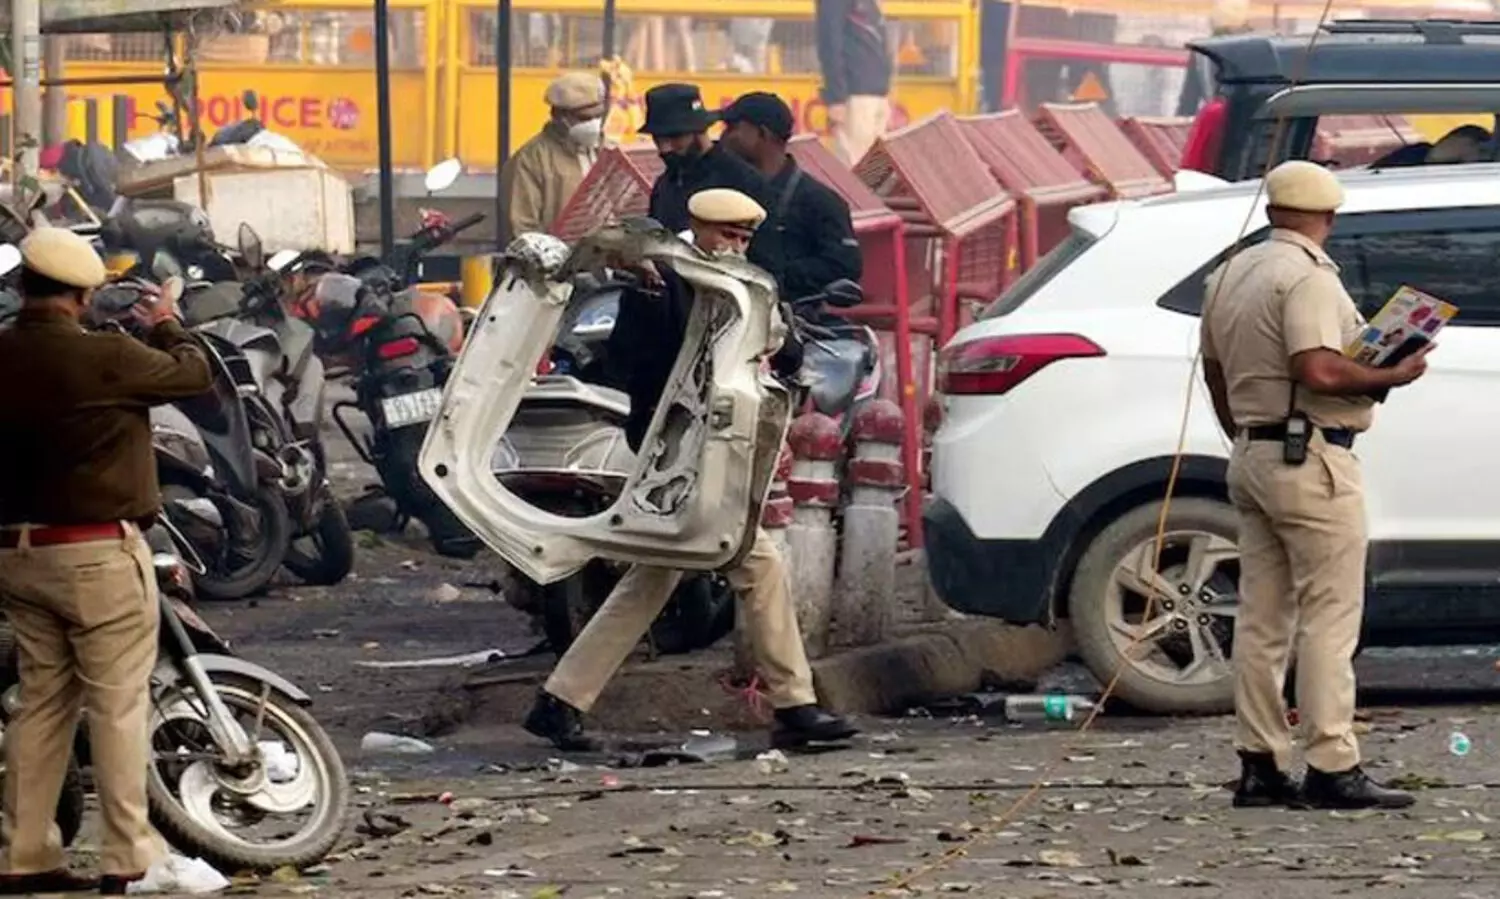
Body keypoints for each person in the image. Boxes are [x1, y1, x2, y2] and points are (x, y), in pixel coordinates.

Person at [523, 188, 857, 752]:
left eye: (745, 239)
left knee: (657, 575)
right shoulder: (660, 280)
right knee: (755, 563)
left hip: (714, 449)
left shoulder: (742, 282)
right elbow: (631, 360)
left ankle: (559, 702)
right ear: (697, 228)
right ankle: (795, 705)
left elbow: (785, 350)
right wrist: (654, 298)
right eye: (728, 236)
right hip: (673, 454)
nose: (736, 246)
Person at [1200, 161, 1431, 811]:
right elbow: (1319, 368)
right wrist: (1392, 375)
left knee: (1262, 619)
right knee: (1330, 619)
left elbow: (1217, 376)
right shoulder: (1306, 276)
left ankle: (1261, 762)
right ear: (1328, 217)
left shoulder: (1229, 274)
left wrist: (1250, 433)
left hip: (1253, 453)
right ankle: (1333, 762)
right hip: (1312, 458)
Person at [0, 228, 213, 893]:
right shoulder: (105, 354)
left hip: (18, 555)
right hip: (96, 555)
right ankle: (129, 856)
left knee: (40, 706)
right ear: (84, 295)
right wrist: (168, 321)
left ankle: (23, 854)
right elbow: (195, 374)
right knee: (118, 706)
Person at [720, 91, 863, 303]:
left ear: (762, 134)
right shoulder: (723, 190)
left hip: (796, 317)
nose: (724, 137)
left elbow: (844, 265)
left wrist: (777, 275)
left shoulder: (819, 201)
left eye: (732, 128)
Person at [639, 83, 769, 236]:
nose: (664, 148)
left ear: (699, 132)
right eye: (658, 139)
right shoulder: (665, 184)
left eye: (675, 137)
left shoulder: (743, 181)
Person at [498, 71, 609, 244]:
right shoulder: (531, 160)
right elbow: (522, 229)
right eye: (584, 118)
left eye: (599, 116)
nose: (594, 124)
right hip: (559, 265)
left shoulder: (607, 150)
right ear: (559, 116)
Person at [815, 0, 893, 165]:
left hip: (876, 93)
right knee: (855, 169)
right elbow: (829, 44)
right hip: (855, 95)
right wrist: (836, 97)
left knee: (876, 171)